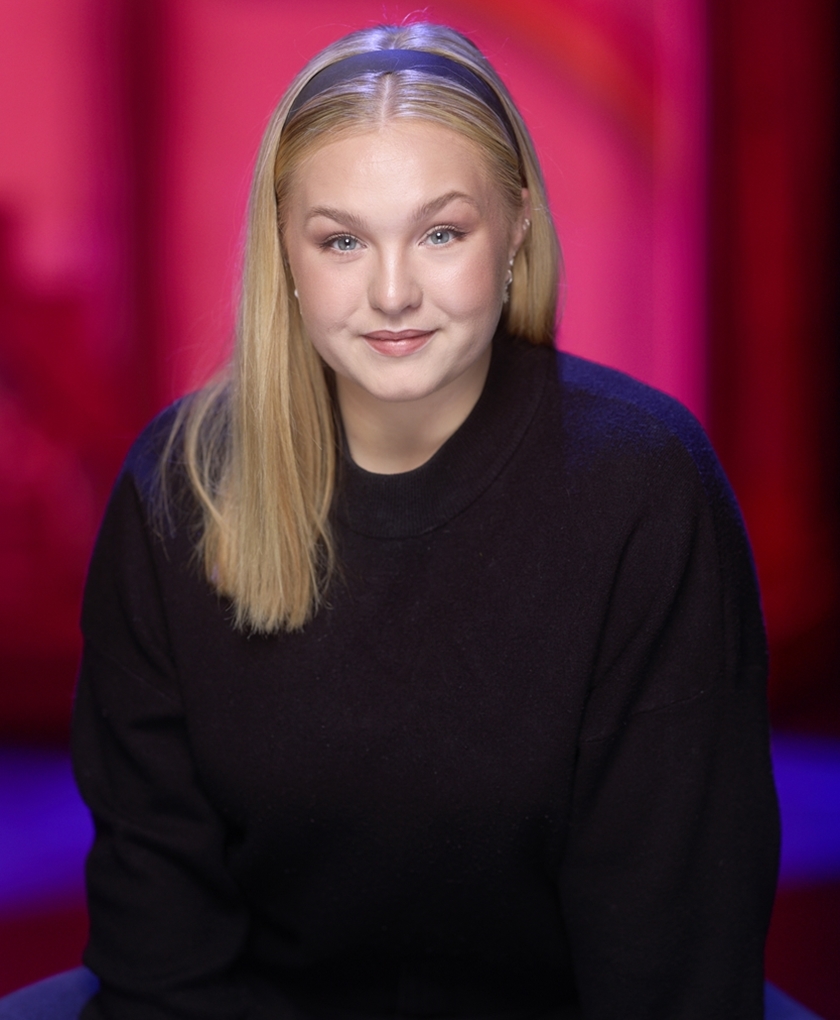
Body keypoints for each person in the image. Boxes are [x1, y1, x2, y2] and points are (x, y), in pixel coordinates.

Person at [71, 21, 779, 1020]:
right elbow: (161, 941)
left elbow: (671, 951)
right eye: (342, 240)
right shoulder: (179, 488)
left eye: (442, 233)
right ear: (285, 249)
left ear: (518, 226)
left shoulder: (644, 487)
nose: (393, 292)